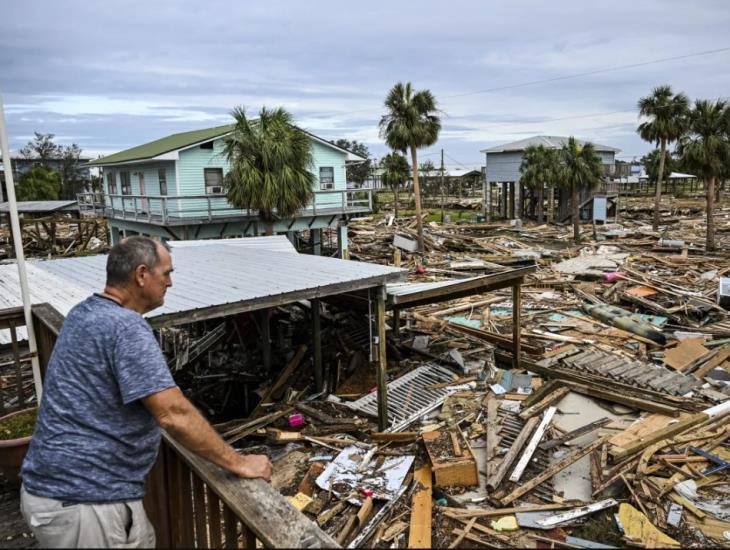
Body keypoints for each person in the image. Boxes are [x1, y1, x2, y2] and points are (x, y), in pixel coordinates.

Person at [20, 236, 272, 548]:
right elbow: (172, 413)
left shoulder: (83, 313)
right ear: (142, 275)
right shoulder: (126, 328)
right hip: (85, 499)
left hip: (61, 492)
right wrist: (238, 462)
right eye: (166, 273)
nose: (170, 282)